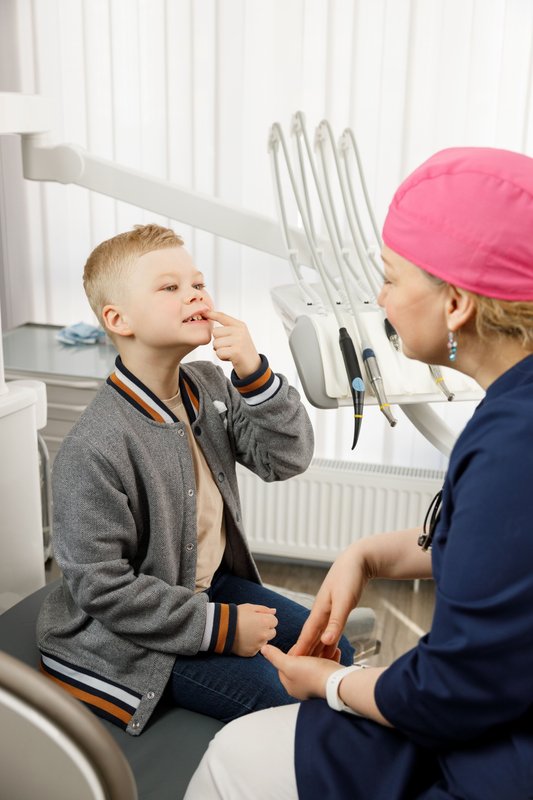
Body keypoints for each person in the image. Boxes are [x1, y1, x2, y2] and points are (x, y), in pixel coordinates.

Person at [185, 146, 533, 799]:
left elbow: (452, 692)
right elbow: (503, 550)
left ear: (456, 303)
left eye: (390, 278)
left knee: (237, 755)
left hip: (497, 754)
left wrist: (333, 685)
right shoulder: (512, 417)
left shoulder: (514, 449)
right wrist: (366, 554)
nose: (379, 297)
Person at [37, 223, 355, 736]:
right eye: (170, 287)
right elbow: (103, 589)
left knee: (336, 652)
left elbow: (286, 459)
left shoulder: (209, 385)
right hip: (125, 639)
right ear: (118, 319)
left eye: (198, 283)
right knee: (288, 700)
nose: (195, 294)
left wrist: (253, 373)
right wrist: (222, 629)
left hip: (205, 589)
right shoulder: (93, 448)